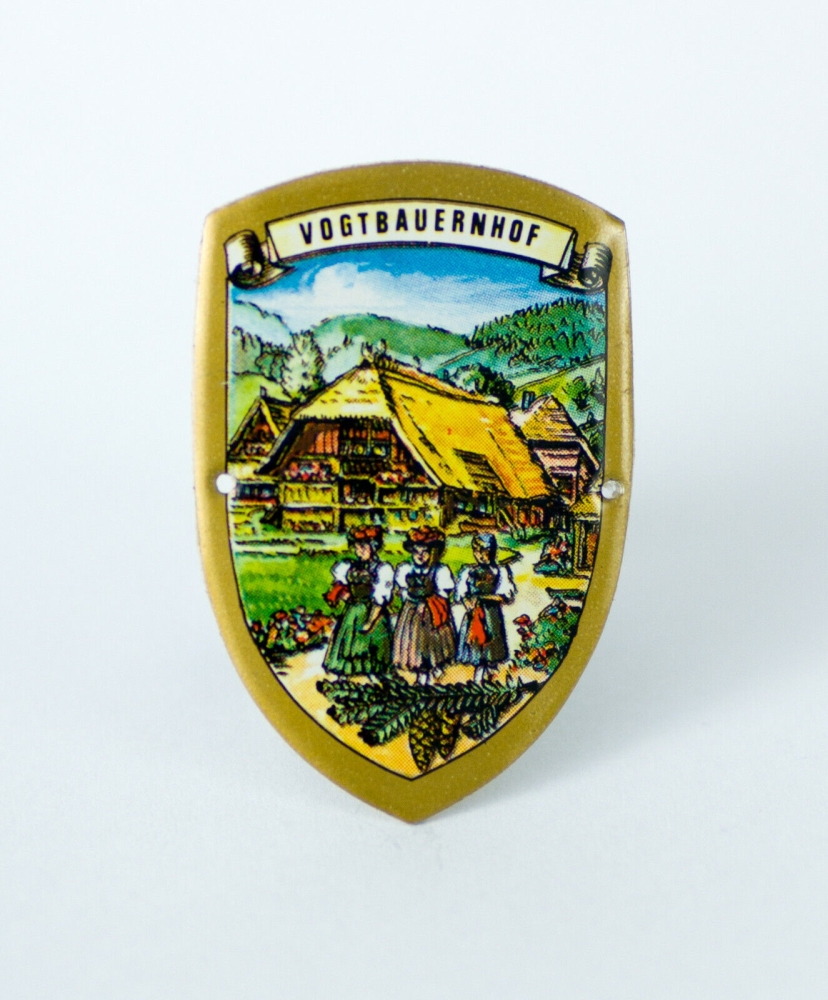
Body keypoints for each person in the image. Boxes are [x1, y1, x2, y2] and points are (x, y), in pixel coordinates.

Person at [323, 525, 394, 678]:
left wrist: (370, 621)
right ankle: (345, 678)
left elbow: (380, 599)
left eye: (363, 547)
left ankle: (375, 679)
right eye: (356, 547)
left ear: (373, 547)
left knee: (372, 646)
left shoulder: (381, 569)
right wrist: (345, 595)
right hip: (353, 611)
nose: (359, 551)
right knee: (348, 645)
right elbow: (340, 587)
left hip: (372, 612)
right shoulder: (349, 566)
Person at [393, 527, 456, 685]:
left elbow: (443, 594)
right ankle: (421, 675)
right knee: (414, 642)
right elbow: (402, 591)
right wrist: (408, 597)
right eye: (416, 552)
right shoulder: (406, 569)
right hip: (412, 611)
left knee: (432, 643)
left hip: (432, 612)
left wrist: (428, 602)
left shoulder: (438, 571)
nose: (420, 556)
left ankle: (433, 670)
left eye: (424, 552)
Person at [455, 533, 517, 683]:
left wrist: (483, 598)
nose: (481, 556)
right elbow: (461, 593)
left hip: (491, 615)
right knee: (476, 646)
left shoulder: (500, 571)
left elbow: (505, 596)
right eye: (478, 551)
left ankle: (490, 675)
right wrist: (466, 602)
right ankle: (479, 677)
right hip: (474, 615)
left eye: (485, 552)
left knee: (491, 645)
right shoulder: (468, 571)